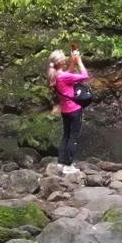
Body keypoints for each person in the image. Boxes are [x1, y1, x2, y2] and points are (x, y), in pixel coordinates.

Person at [47, 45, 89, 173]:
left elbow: (68, 73)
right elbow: (85, 76)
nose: (65, 58)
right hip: (74, 110)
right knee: (73, 137)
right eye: (64, 57)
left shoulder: (56, 75)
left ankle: (61, 162)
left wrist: (73, 60)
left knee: (65, 135)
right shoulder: (62, 76)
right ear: (60, 62)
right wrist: (80, 62)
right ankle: (68, 165)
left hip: (65, 110)